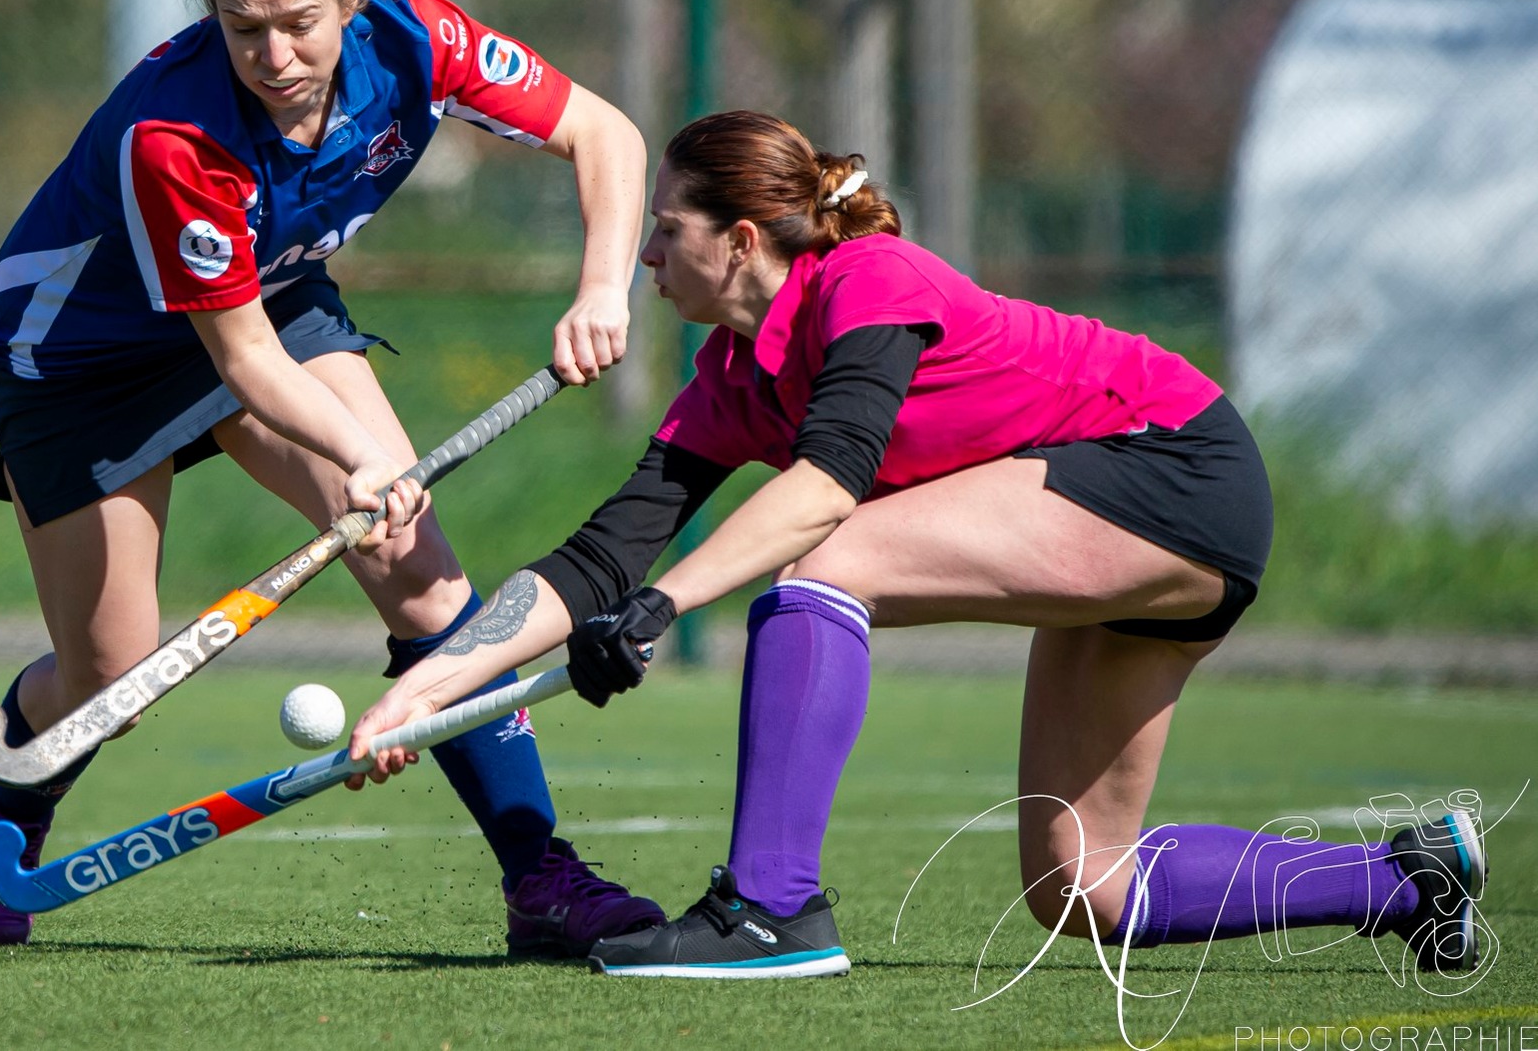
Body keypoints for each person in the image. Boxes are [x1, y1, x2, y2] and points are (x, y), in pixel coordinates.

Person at [349, 109, 1489, 980]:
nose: (645, 254)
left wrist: (663, 605)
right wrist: (430, 686)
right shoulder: (730, 379)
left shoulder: (868, 282)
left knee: (823, 563)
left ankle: (768, 911)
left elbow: (827, 485)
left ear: (738, 240)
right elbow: (600, 555)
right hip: (1107, 513)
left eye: (665, 228)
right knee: (1084, 885)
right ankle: (1409, 878)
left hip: (1174, 467)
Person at [0, 0, 665, 955]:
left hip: (271, 297)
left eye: (297, 25)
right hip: (84, 362)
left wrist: (603, 286)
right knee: (112, 675)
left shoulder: (414, 36)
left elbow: (603, 133)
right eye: (244, 31)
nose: (273, 58)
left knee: (422, 574)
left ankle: (540, 877)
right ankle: (8, 796)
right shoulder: (178, 138)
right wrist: (362, 455)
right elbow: (242, 365)